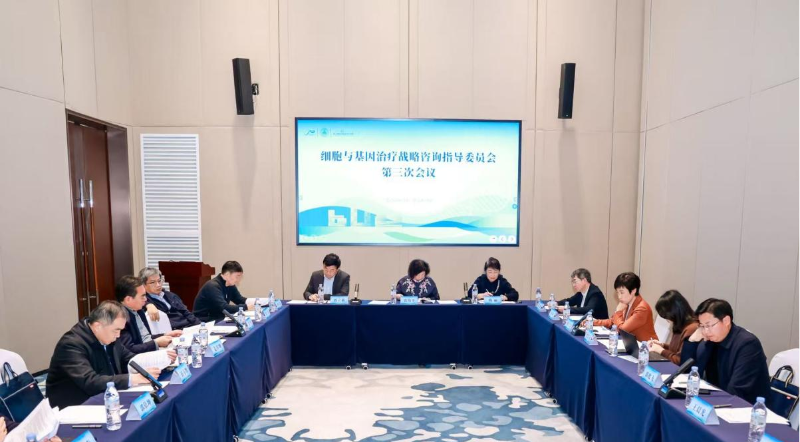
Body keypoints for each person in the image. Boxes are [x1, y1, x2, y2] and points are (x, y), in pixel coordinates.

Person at [46, 301, 162, 409]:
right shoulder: (71, 345)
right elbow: (90, 381)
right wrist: (132, 378)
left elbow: (129, 359)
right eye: (116, 330)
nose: (118, 335)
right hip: (75, 406)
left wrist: (151, 365)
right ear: (98, 326)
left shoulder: (109, 336)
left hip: (107, 397)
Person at [680, 298, 770, 404]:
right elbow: (690, 374)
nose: (705, 331)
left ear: (726, 321)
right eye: (702, 326)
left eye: (708, 325)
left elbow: (736, 391)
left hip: (747, 407)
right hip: (719, 399)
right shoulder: (710, 341)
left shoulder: (748, 345)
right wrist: (692, 341)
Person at [116, 275, 181, 354]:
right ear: (128, 299)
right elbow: (130, 349)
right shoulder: (119, 319)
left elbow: (146, 338)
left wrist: (165, 334)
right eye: (142, 296)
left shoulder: (138, 311)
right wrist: (156, 343)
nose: (146, 299)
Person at [593, 272, 657, 341]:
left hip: (645, 346)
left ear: (633, 291)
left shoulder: (642, 308)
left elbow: (623, 330)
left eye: (622, 292)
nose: (619, 297)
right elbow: (613, 321)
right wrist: (593, 322)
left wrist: (618, 312)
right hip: (630, 343)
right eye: (617, 292)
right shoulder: (627, 302)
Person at [648, 290, 698, 364]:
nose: (667, 320)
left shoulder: (691, 328)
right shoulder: (679, 324)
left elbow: (680, 361)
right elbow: (676, 349)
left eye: (667, 317)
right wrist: (662, 345)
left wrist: (660, 350)